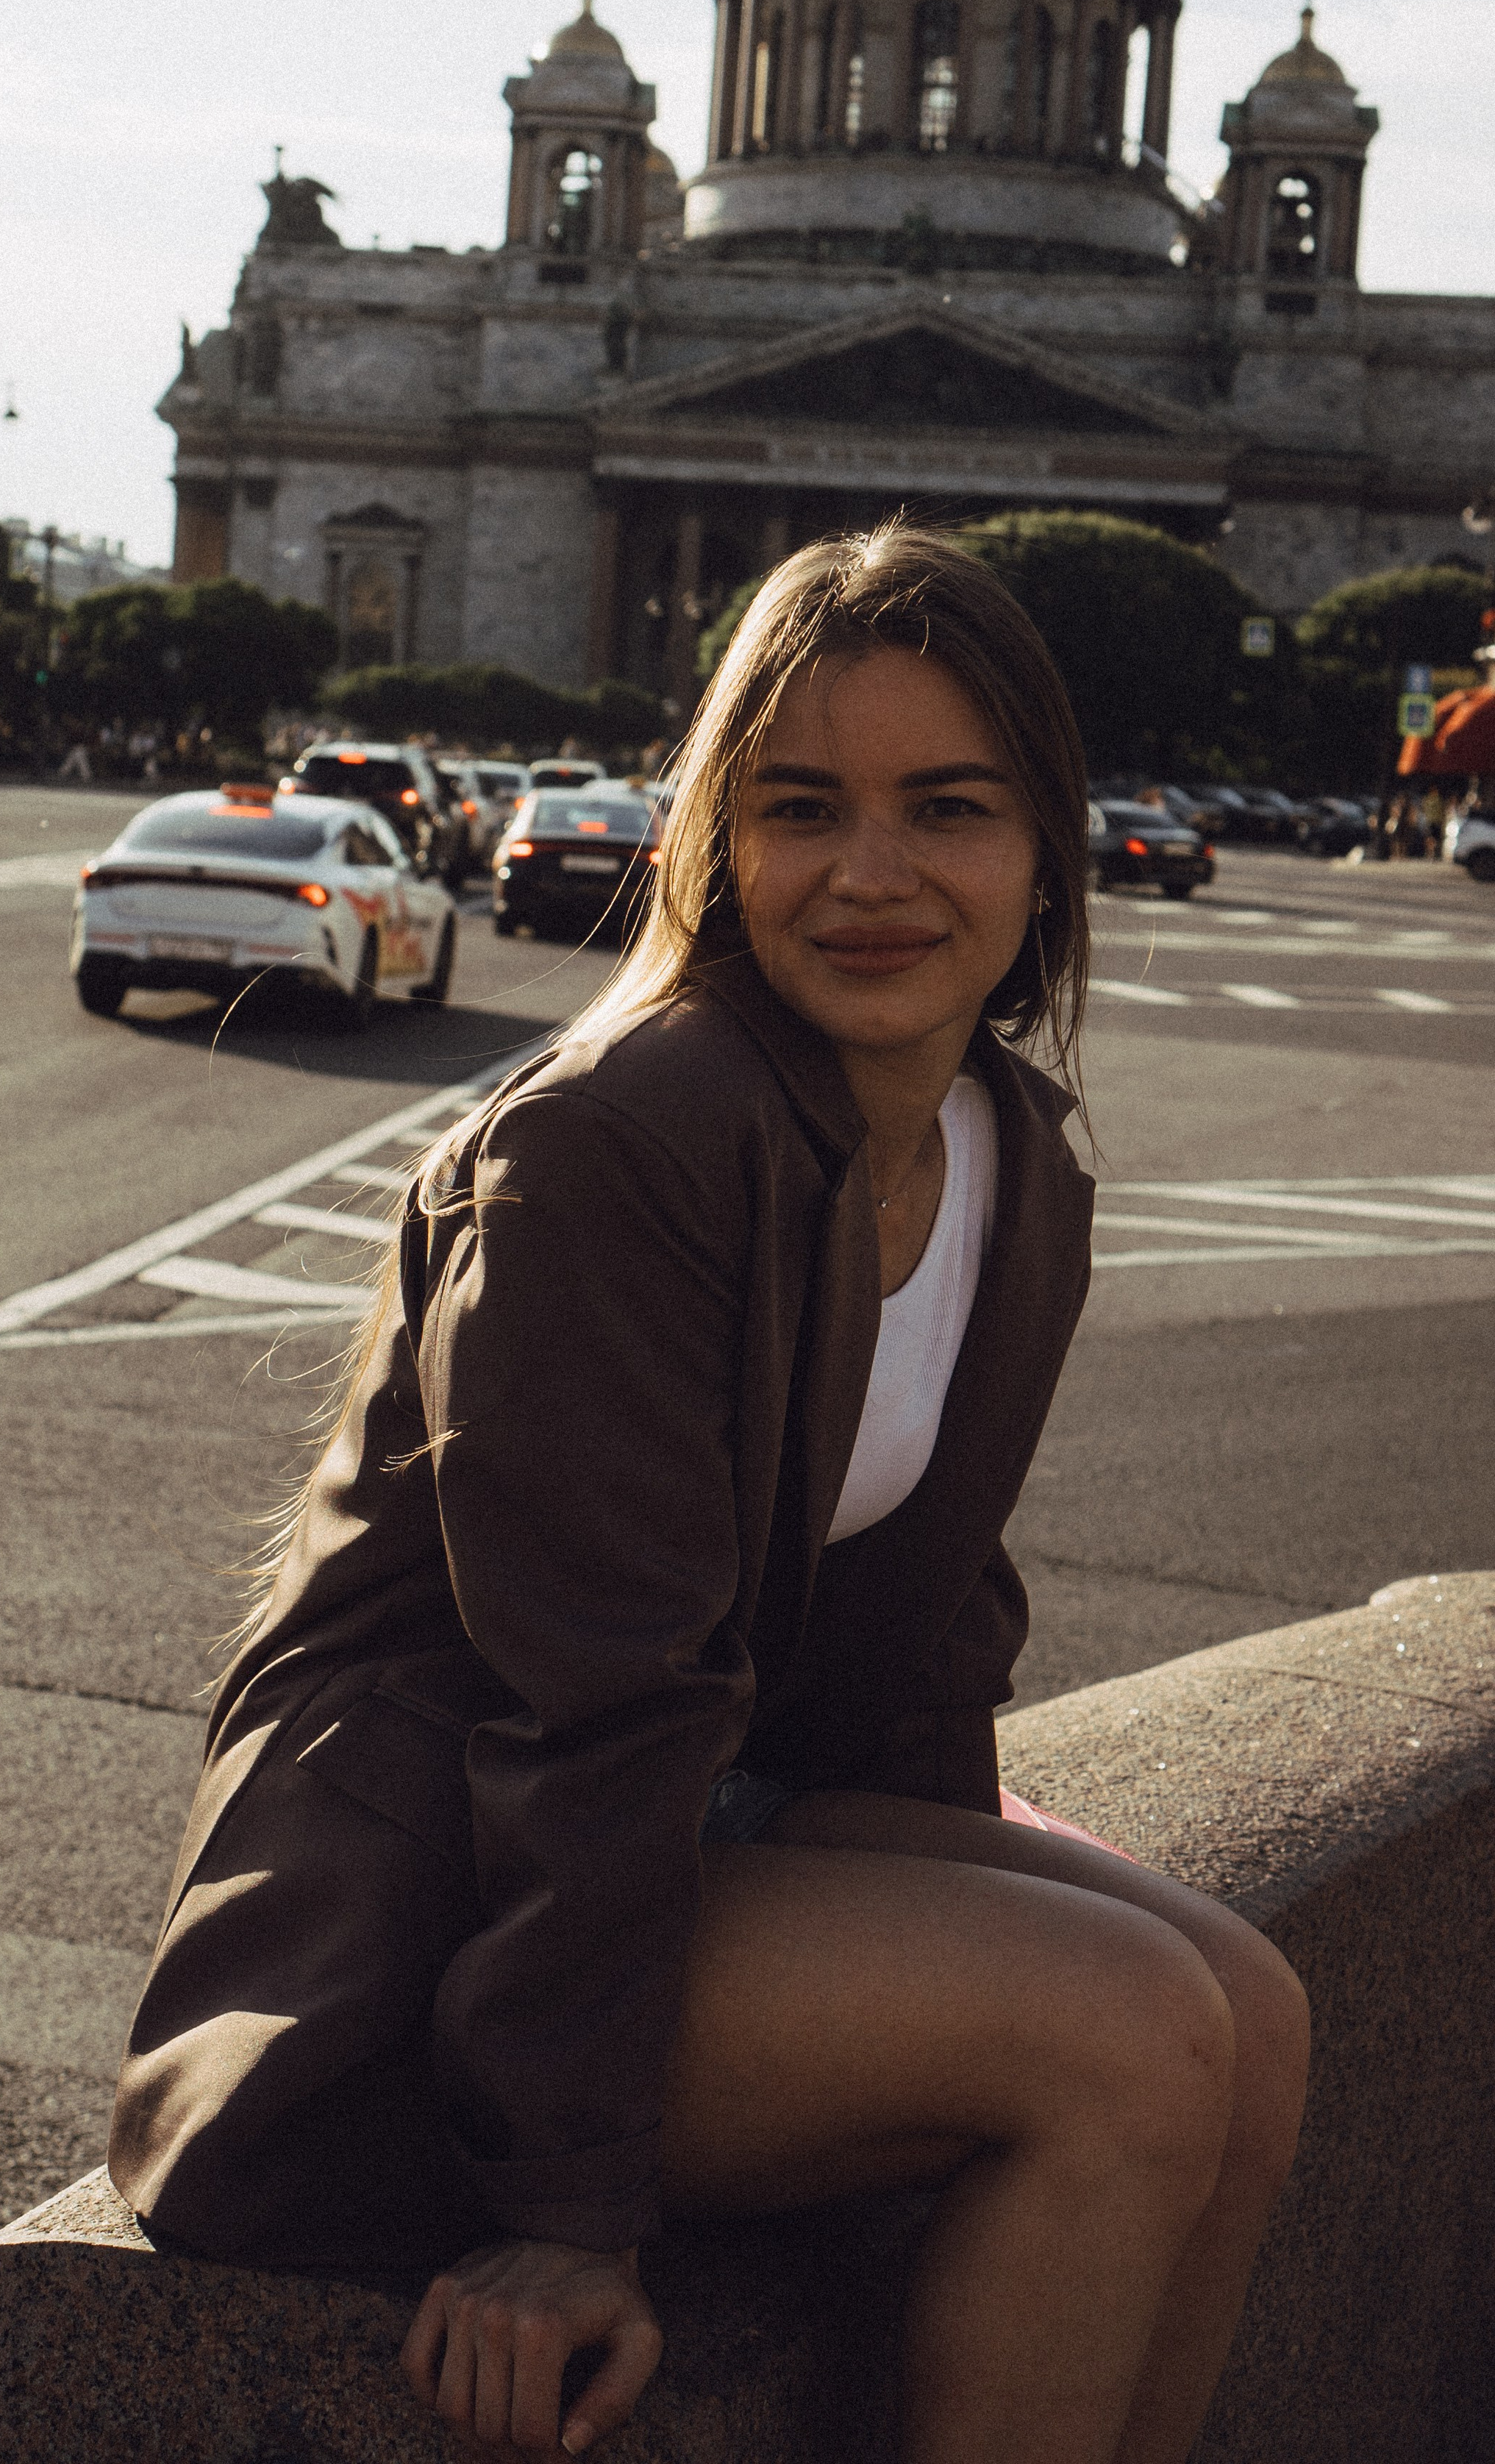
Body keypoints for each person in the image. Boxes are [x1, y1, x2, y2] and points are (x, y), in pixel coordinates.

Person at [110, 530, 1308, 2464]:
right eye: (802, 806)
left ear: (1046, 849)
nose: (873, 875)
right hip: (424, 1929)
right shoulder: (621, 1138)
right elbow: (588, 1694)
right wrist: (568, 2216)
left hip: (699, 1834)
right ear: (714, 841)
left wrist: (926, 1936)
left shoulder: (1015, 1154)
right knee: (1131, 2039)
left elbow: (919, 1642)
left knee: (1250, 2013)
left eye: (949, 809)